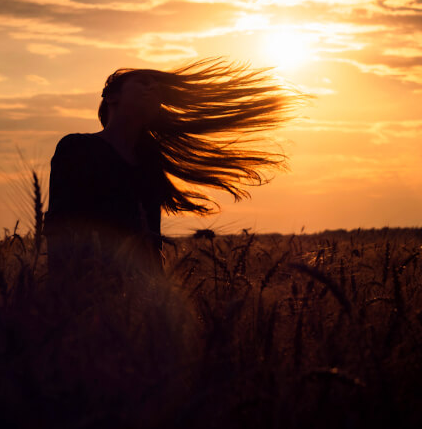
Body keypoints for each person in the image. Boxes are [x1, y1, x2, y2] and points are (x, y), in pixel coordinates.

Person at [42, 57, 303, 273]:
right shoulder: (77, 148)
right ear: (111, 96)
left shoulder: (148, 162)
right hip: (83, 292)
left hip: (135, 301)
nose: (153, 89)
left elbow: (151, 242)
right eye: (143, 82)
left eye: (159, 89)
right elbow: (59, 228)